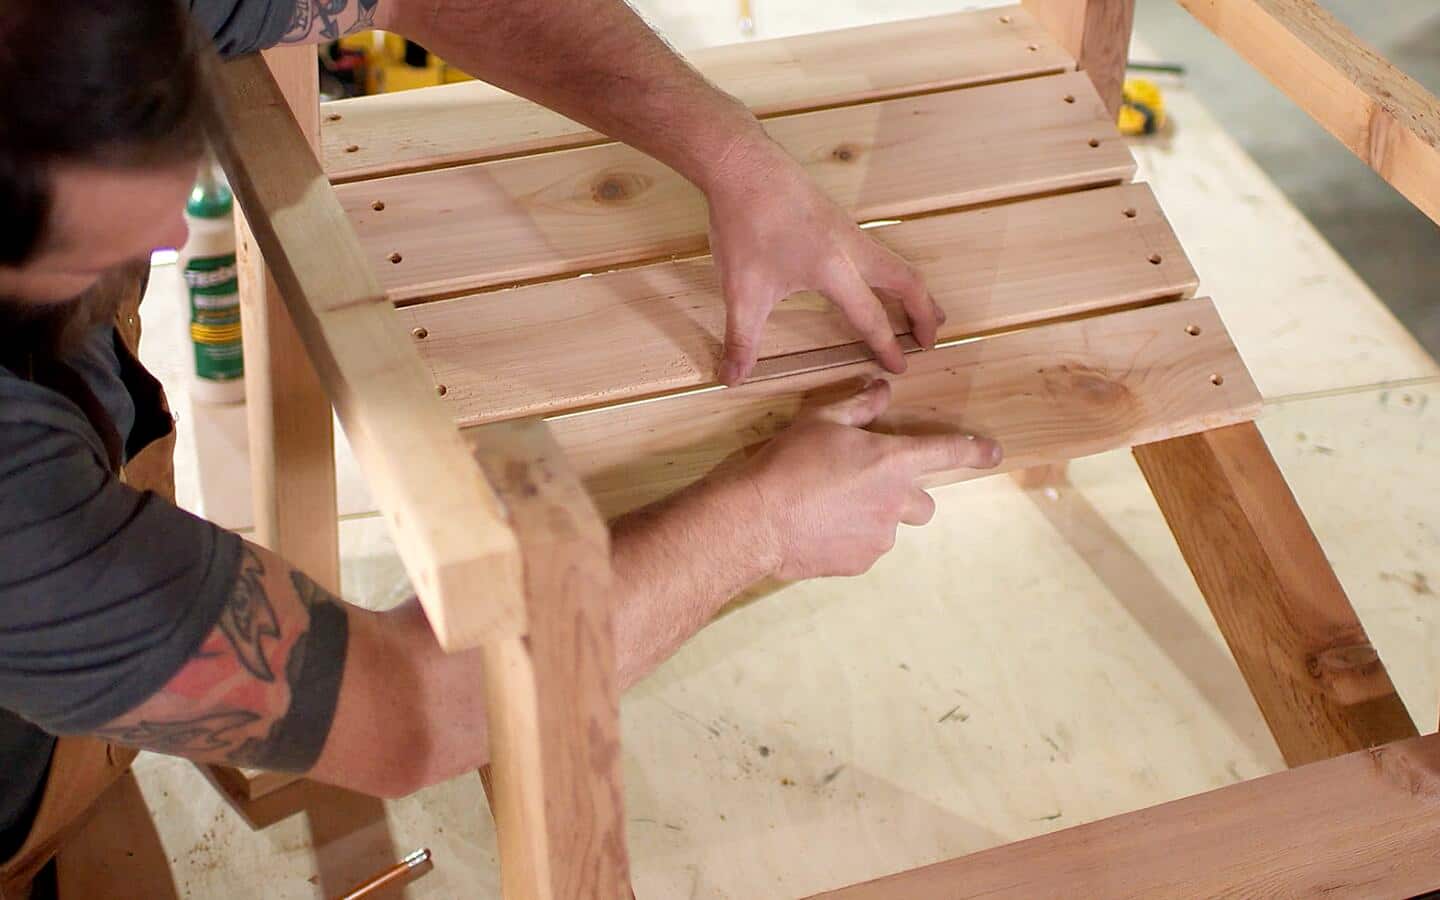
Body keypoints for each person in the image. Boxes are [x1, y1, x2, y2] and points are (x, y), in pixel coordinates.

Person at [0, 0, 1002, 892]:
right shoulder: (19, 527)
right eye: (102, 247)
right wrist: (763, 527)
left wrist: (737, 158)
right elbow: (416, 712)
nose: (179, 232)